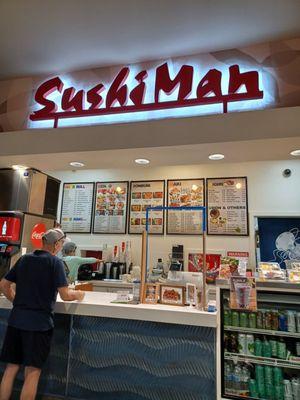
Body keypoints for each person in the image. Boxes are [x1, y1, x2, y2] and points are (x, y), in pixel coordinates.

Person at [0, 228, 85, 400]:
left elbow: (3, 285)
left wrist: (16, 301)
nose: (61, 247)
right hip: (38, 325)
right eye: (61, 244)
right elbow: (65, 295)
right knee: (32, 372)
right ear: (56, 244)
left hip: (16, 321)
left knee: (11, 368)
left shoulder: (24, 259)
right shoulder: (55, 263)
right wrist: (79, 294)